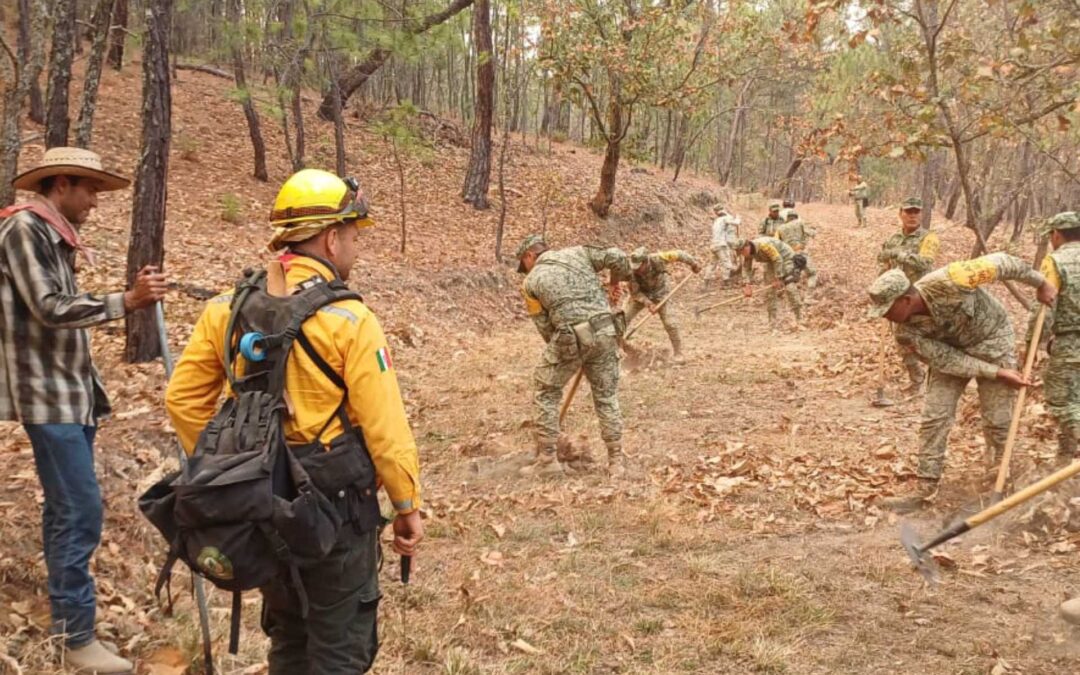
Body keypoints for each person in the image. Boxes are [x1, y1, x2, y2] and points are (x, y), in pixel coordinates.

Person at [165, 169, 423, 673]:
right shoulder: (350, 320)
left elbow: (183, 401)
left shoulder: (226, 309)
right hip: (336, 509)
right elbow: (384, 428)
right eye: (352, 237)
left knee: (287, 632)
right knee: (339, 642)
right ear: (331, 237)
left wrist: (240, 471)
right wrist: (407, 504)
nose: (355, 248)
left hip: (262, 505)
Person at [0, 147, 168, 673]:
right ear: (61, 185)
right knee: (80, 510)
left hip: (70, 394)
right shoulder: (24, 231)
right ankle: (77, 637)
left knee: (64, 509)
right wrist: (127, 301)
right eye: (90, 189)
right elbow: (49, 308)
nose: (95, 201)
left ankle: (67, 628)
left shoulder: (55, 237)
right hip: (47, 397)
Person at [866, 254, 1056, 512]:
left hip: (993, 341)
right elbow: (948, 360)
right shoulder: (905, 333)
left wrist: (1040, 282)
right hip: (952, 353)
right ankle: (925, 487)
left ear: (906, 300)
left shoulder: (953, 278)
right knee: (935, 415)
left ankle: (1006, 482)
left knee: (998, 420)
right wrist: (997, 373)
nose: (886, 317)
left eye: (888, 310)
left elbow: (1002, 262)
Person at [516, 235, 629, 477]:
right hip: (607, 331)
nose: (523, 271)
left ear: (528, 256)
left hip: (571, 338)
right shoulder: (579, 252)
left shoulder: (530, 283)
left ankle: (547, 461)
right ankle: (616, 461)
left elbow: (545, 329)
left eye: (522, 265)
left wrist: (570, 356)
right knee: (606, 396)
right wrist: (614, 282)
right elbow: (618, 256)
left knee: (546, 390)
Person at [1029, 212, 1080, 462]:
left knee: (1063, 401)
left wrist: (1032, 344)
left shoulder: (1055, 261)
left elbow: (1045, 305)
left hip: (1071, 343)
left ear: (1056, 234)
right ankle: (1065, 460)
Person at [878, 197, 940, 391]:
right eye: (908, 212)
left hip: (922, 297)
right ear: (900, 214)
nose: (912, 216)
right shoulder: (893, 239)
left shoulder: (929, 238)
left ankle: (936, 379)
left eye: (916, 212)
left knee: (925, 340)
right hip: (900, 299)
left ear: (921, 215)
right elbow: (884, 260)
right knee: (902, 340)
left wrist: (901, 255)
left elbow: (925, 262)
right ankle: (917, 380)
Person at [625, 246, 701, 363]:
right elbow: (635, 293)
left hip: (661, 294)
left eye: (639, 267)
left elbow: (679, 253)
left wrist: (693, 264)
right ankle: (618, 347)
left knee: (670, 323)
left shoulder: (658, 258)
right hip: (642, 295)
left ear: (646, 262)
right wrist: (648, 303)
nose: (636, 270)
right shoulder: (631, 271)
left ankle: (678, 353)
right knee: (623, 318)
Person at [733, 236, 802, 330]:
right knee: (770, 291)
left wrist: (778, 278)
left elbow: (778, 259)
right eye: (740, 253)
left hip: (786, 258)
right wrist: (747, 285)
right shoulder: (747, 253)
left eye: (742, 251)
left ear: (747, 246)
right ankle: (773, 323)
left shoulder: (764, 245)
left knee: (789, 286)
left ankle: (800, 318)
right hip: (771, 261)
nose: (742, 254)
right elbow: (746, 268)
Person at [776, 210, 818, 300]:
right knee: (812, 273)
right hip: (800, 253)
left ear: (787, 219)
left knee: (788, 276)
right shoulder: (800, 223)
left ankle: (780, 292)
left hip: (787, 255)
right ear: (796, 217)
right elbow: (812, 233)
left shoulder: (780, 228)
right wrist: (814, 230)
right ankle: (808, 298)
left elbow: (776, 243)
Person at [705, 203, 740, 289]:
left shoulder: (716, 221)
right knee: (726, 263)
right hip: (721, 245)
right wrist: (738, 218)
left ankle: (706, 281)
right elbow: (736, 223)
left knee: (712, 264)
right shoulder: (724, 219)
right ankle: (726, 283)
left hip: (714, 245)